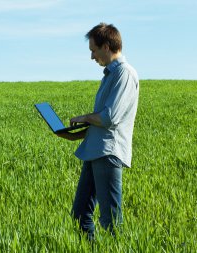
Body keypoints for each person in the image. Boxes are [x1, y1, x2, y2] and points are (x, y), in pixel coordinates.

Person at [57, 23, 139, 240]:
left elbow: (110, 117)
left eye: (94, 50)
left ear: (107, 46)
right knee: (80, 214)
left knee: (110, 221)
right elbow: (102, 121)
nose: (92, 56)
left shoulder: (125, 74)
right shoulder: (110, 75)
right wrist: (74, 135)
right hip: (95, 151)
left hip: (108, 153)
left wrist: (83, 118)